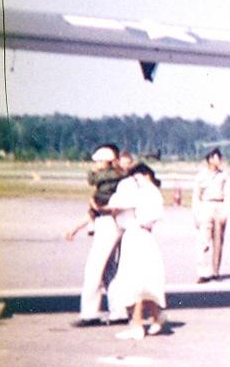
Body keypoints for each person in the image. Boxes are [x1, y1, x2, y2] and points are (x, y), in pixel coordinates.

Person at [103, 163, 167, 339]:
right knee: (144, 282)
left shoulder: (135, 190)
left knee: (134, 282)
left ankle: (137, 324)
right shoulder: (151, 192)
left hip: (136, 237)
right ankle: (156, 316)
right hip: (142, 238)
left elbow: (118, 209)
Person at [66, 144, 125, 326]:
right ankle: (119, 311)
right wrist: (76, 227)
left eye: (100, 160)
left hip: (108, 224)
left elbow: (101, 207)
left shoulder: (111, 182)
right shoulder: (110, 181)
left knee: (94, 269)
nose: (96, 164)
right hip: (106, 223)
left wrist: (95, 206)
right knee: (109, 271)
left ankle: (90, 313)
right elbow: (95, 211)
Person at [193, 147, 230, 282]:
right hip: (206, 206)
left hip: (219, 206)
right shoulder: (201, 176)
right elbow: (196, 197)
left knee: (218, 241)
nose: (219, 160)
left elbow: (228, 195)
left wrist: (226, 212)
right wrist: (196, 215)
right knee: (204, 241)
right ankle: (203, 272)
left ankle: (216, 271)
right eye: (216, 157)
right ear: (210, 159)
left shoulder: (224, 176)